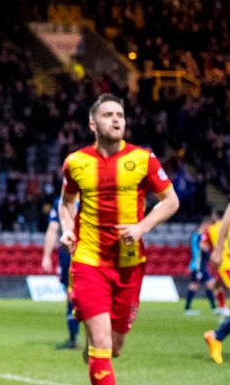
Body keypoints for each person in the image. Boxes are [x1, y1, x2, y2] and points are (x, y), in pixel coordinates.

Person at [59, 93, 179, 385]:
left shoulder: (143, 159)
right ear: (92, 123)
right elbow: (66, 202)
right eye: (108, 115)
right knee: (101, 345)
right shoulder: (75, 162)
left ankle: (97, 353)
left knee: (114, 346)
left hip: (128, 263)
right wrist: (66, 229)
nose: (116, 120)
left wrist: (142, 227)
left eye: (120, 115)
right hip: (88, 261)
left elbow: (171, 201)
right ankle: (97, 352)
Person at [40, 195, 79, 349]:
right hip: (75, 252)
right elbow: (52, 230)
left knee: (74, 295)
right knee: (73, 295)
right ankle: (78, 336)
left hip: (78, 251)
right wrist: (46, 256)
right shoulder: (61, 201)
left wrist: (46, 257)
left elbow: (52, 230)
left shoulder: (64, 200)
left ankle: (78, 336)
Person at [205, 203, 230, 363]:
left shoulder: (211, 229)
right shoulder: (218, 227)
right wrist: (219, 248)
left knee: (217, 288)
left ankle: (216, 336)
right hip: (227, 261)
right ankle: (217, 336)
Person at [184, 216, 217, 315]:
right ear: (205, 225)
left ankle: (214, 307)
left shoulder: (195, 235)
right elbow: (203, 248)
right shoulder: (200, 236)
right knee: (195, 285)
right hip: (198, 265)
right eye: (209, 226)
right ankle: (188, 309)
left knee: (209, 284)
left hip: (200, 265)